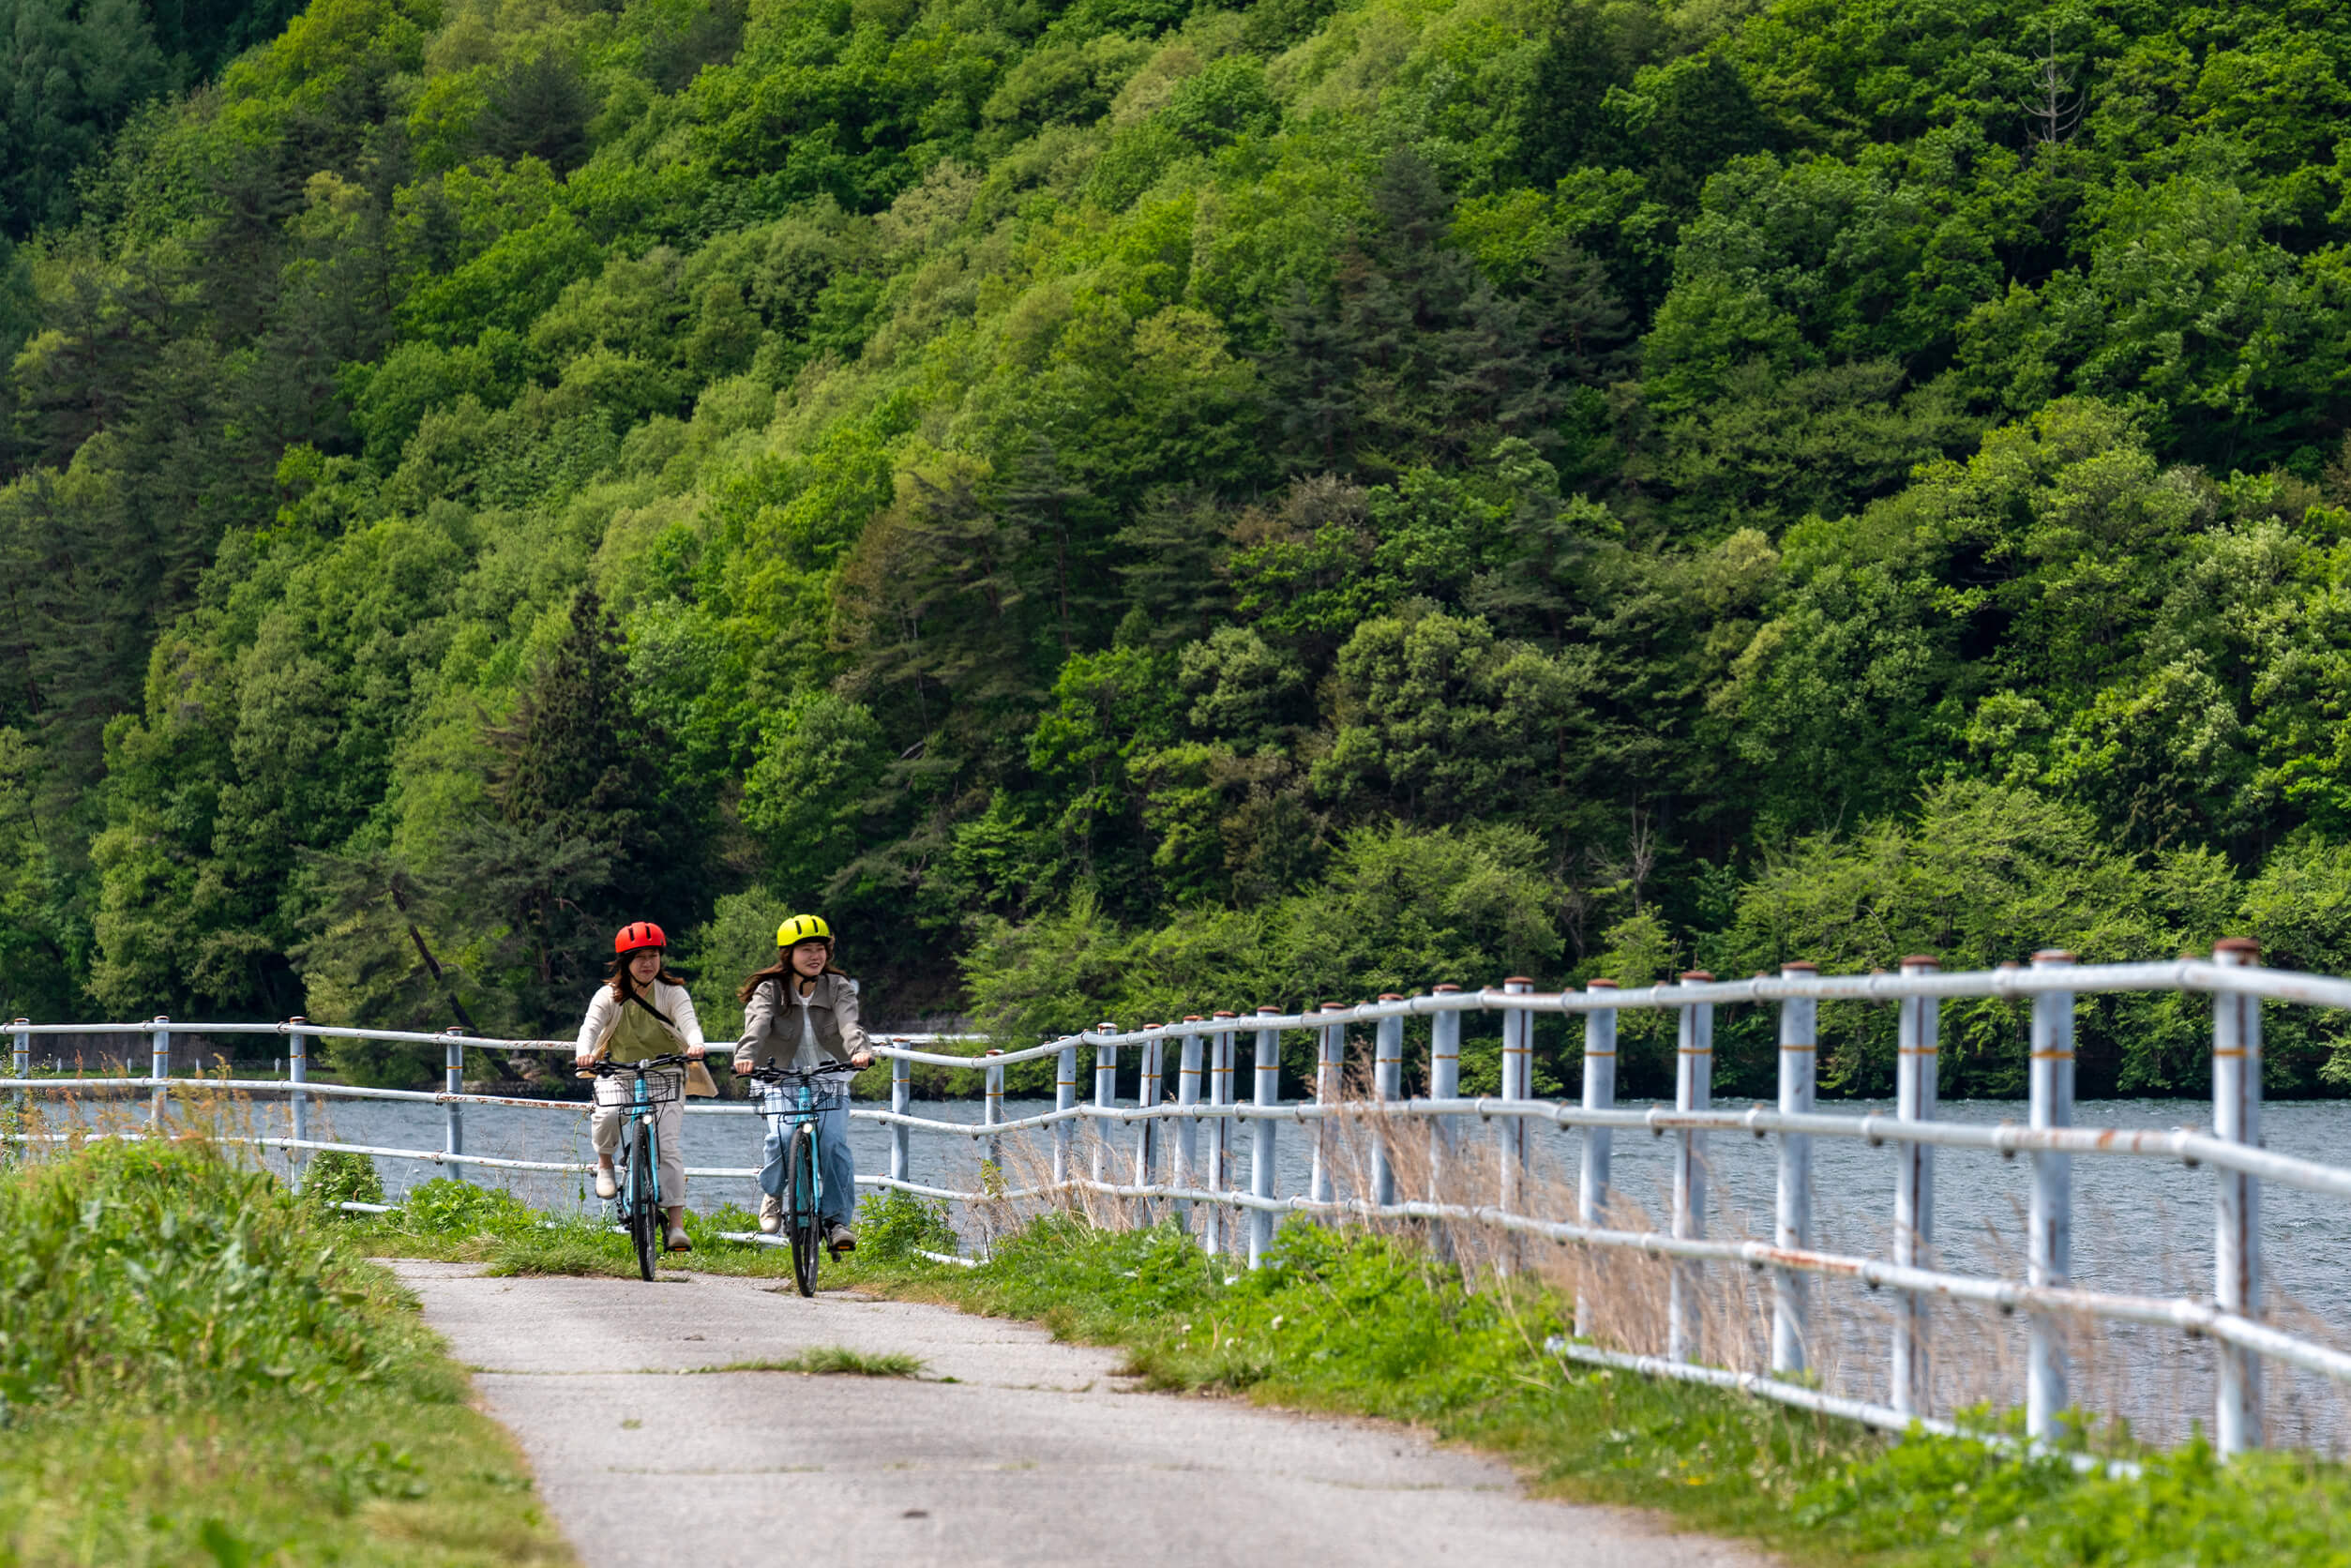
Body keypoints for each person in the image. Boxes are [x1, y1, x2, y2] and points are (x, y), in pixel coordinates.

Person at [732, 913, 872, 1249]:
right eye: (806, 949)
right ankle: (773, 1194)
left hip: (829, 1076)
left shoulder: (837, 987)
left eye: (820, 949)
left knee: (833, 1145)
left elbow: (849, 1024)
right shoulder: (770, 989)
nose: (815, 956)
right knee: (781, 1138)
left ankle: (837, 1221)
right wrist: (745, 1055)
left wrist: (859, 1051)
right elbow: (757, 1024)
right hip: (781, 1077)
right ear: (788, 955)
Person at [576, 921, 708, 1253]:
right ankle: (605, 1165)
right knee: (606, 1114)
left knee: (668, 1147)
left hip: (665, 1075)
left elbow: (689, 1023)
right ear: (624, 963)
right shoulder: (609, 996)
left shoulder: (673, 993)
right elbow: (589, 1028)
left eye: (653, 956)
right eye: (639, 957)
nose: (647, 963)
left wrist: (695, 1044)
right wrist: (584, 1053)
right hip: (619, 1071)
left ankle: (676, 1226)